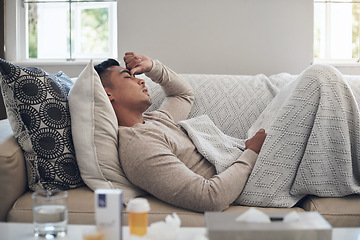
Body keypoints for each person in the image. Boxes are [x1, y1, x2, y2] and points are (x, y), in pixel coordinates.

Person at [94, 52, 267, 212]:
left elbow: (183, 95)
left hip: (250, 162)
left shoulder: (154, 120)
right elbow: (210, 198)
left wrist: (152, 67)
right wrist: (252, 152)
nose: (141, 81)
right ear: (107, 94)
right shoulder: (139, 145)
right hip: (251, 179)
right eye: (128, 77)